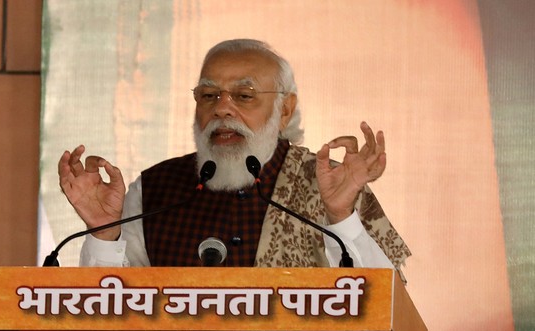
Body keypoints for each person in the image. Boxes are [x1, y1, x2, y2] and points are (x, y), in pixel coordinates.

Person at [58, 39, 410, 278]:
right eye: (209, 94)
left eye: (244, 95)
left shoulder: (331, 184)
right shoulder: (154, 191)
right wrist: (104, 233)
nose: (222, 109)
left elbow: (384, 307)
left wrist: (340, 218)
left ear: (284, 110)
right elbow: (104, 312)